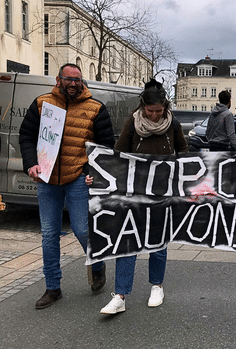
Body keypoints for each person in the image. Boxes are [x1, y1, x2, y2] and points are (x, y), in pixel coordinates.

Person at [19, 63, 115, 309]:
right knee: (49, 235)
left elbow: (105, 147)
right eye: (68, 79)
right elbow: (27, 136)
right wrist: (31, 163)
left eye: (77, 80)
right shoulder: (42, 104)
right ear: (58, 79)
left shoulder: (95, 108)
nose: (73, 84)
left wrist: (89, 171)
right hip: (47, 179)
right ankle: (53, 287)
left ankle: (97, 264)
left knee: (82, 230)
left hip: (77, 179)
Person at [100, 79, 188, 315]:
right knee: (128, 241)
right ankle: (120, 295)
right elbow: (118, 154)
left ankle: (157, 286)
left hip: (162, 192)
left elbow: (185, 152)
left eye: (159, 111)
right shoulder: (132, 123)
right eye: (150, 111)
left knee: (158, 241)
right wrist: (100, 176)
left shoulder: (173, 124)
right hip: (135, 192)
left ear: (165, 107)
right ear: (142, 108)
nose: (155, 116)